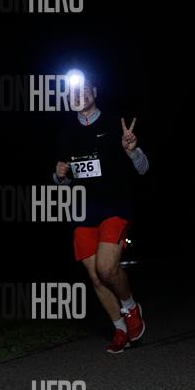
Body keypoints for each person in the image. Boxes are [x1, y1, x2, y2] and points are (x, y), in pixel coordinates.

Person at [53, 74, 148, 353]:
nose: (79, 95)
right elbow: (65, 180)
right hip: (83, 211)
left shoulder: (114, 123)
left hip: (114, 206)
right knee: (95, 276)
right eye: (73, 92)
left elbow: (143, 168)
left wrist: (132, 151)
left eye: (84, 89)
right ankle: (119, 328)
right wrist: (58, 176)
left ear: (94, 92)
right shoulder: (66, 132)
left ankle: (131, 308)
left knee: (106, 268)